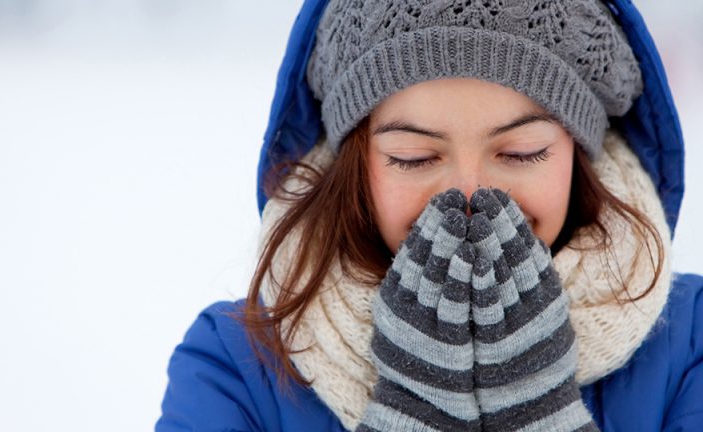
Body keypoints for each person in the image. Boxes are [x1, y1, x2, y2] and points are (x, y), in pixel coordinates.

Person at [156, 1, 702, 431]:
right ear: (357, 166)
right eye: (413, 158)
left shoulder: (691, 346)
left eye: (521, 152)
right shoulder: (233, 370)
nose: (468, 195)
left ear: (579, 157)